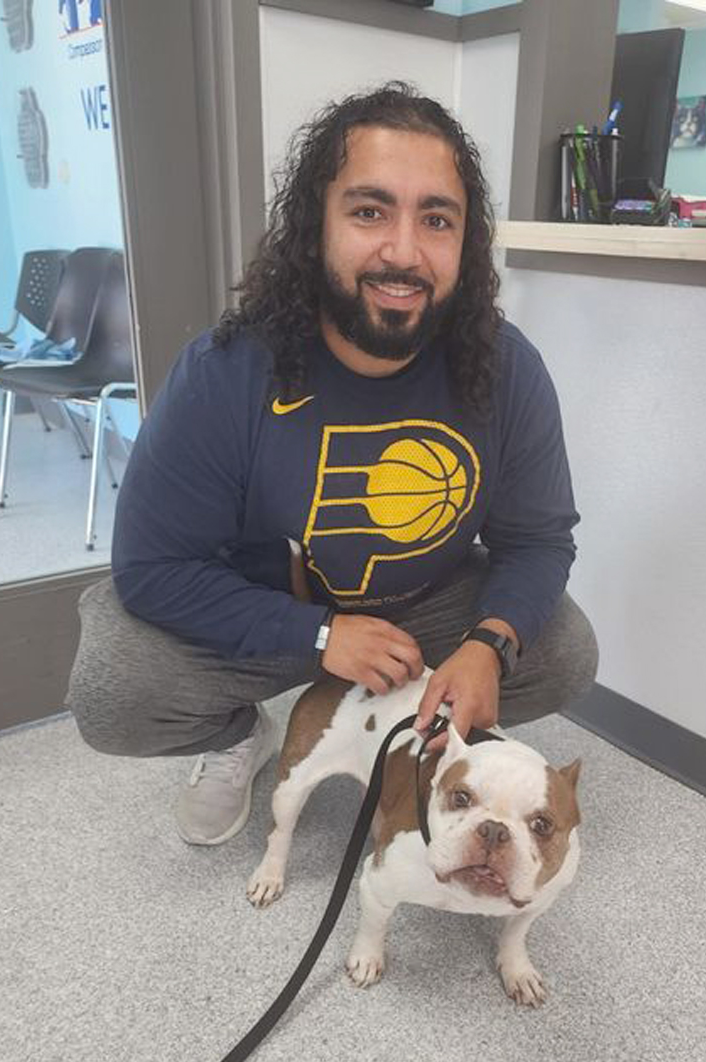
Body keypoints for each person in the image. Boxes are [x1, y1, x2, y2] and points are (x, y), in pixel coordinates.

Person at [67, 82, 598, 846]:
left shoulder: (506, 368)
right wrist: (318, 635)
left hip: (429, 600)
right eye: (370, 210)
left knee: (562, 649)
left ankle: (415, 735)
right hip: (278, 609)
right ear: (316, 226)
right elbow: (153, 567)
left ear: (466, 243)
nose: (404, 251)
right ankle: (236, 738)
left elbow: (541, 540)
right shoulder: (225, 373)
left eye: (437, 219)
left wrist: (487, 645)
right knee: (117, 690)